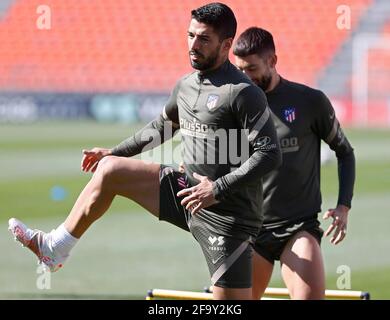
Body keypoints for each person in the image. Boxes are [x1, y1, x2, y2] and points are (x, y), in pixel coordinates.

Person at [8, 5, 281, 300]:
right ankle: (54, 249)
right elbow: (161, 127)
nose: (193, 45)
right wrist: (114, 151)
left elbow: (269, 153)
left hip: (228, 216)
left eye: (203, 39)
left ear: (226, 45)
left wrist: (217, 188)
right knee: (111, 169)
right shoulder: (186, 86)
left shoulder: (243, 93)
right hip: (185, 193)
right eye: (190, 35)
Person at [233, 27, 356, 299]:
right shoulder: (234, 105)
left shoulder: (310, 101)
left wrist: (343, 206)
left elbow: (345, 152)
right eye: (239, 69)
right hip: (250, 230)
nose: (244, 77)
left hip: (297, 228)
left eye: (251, 69)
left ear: (273, 61)